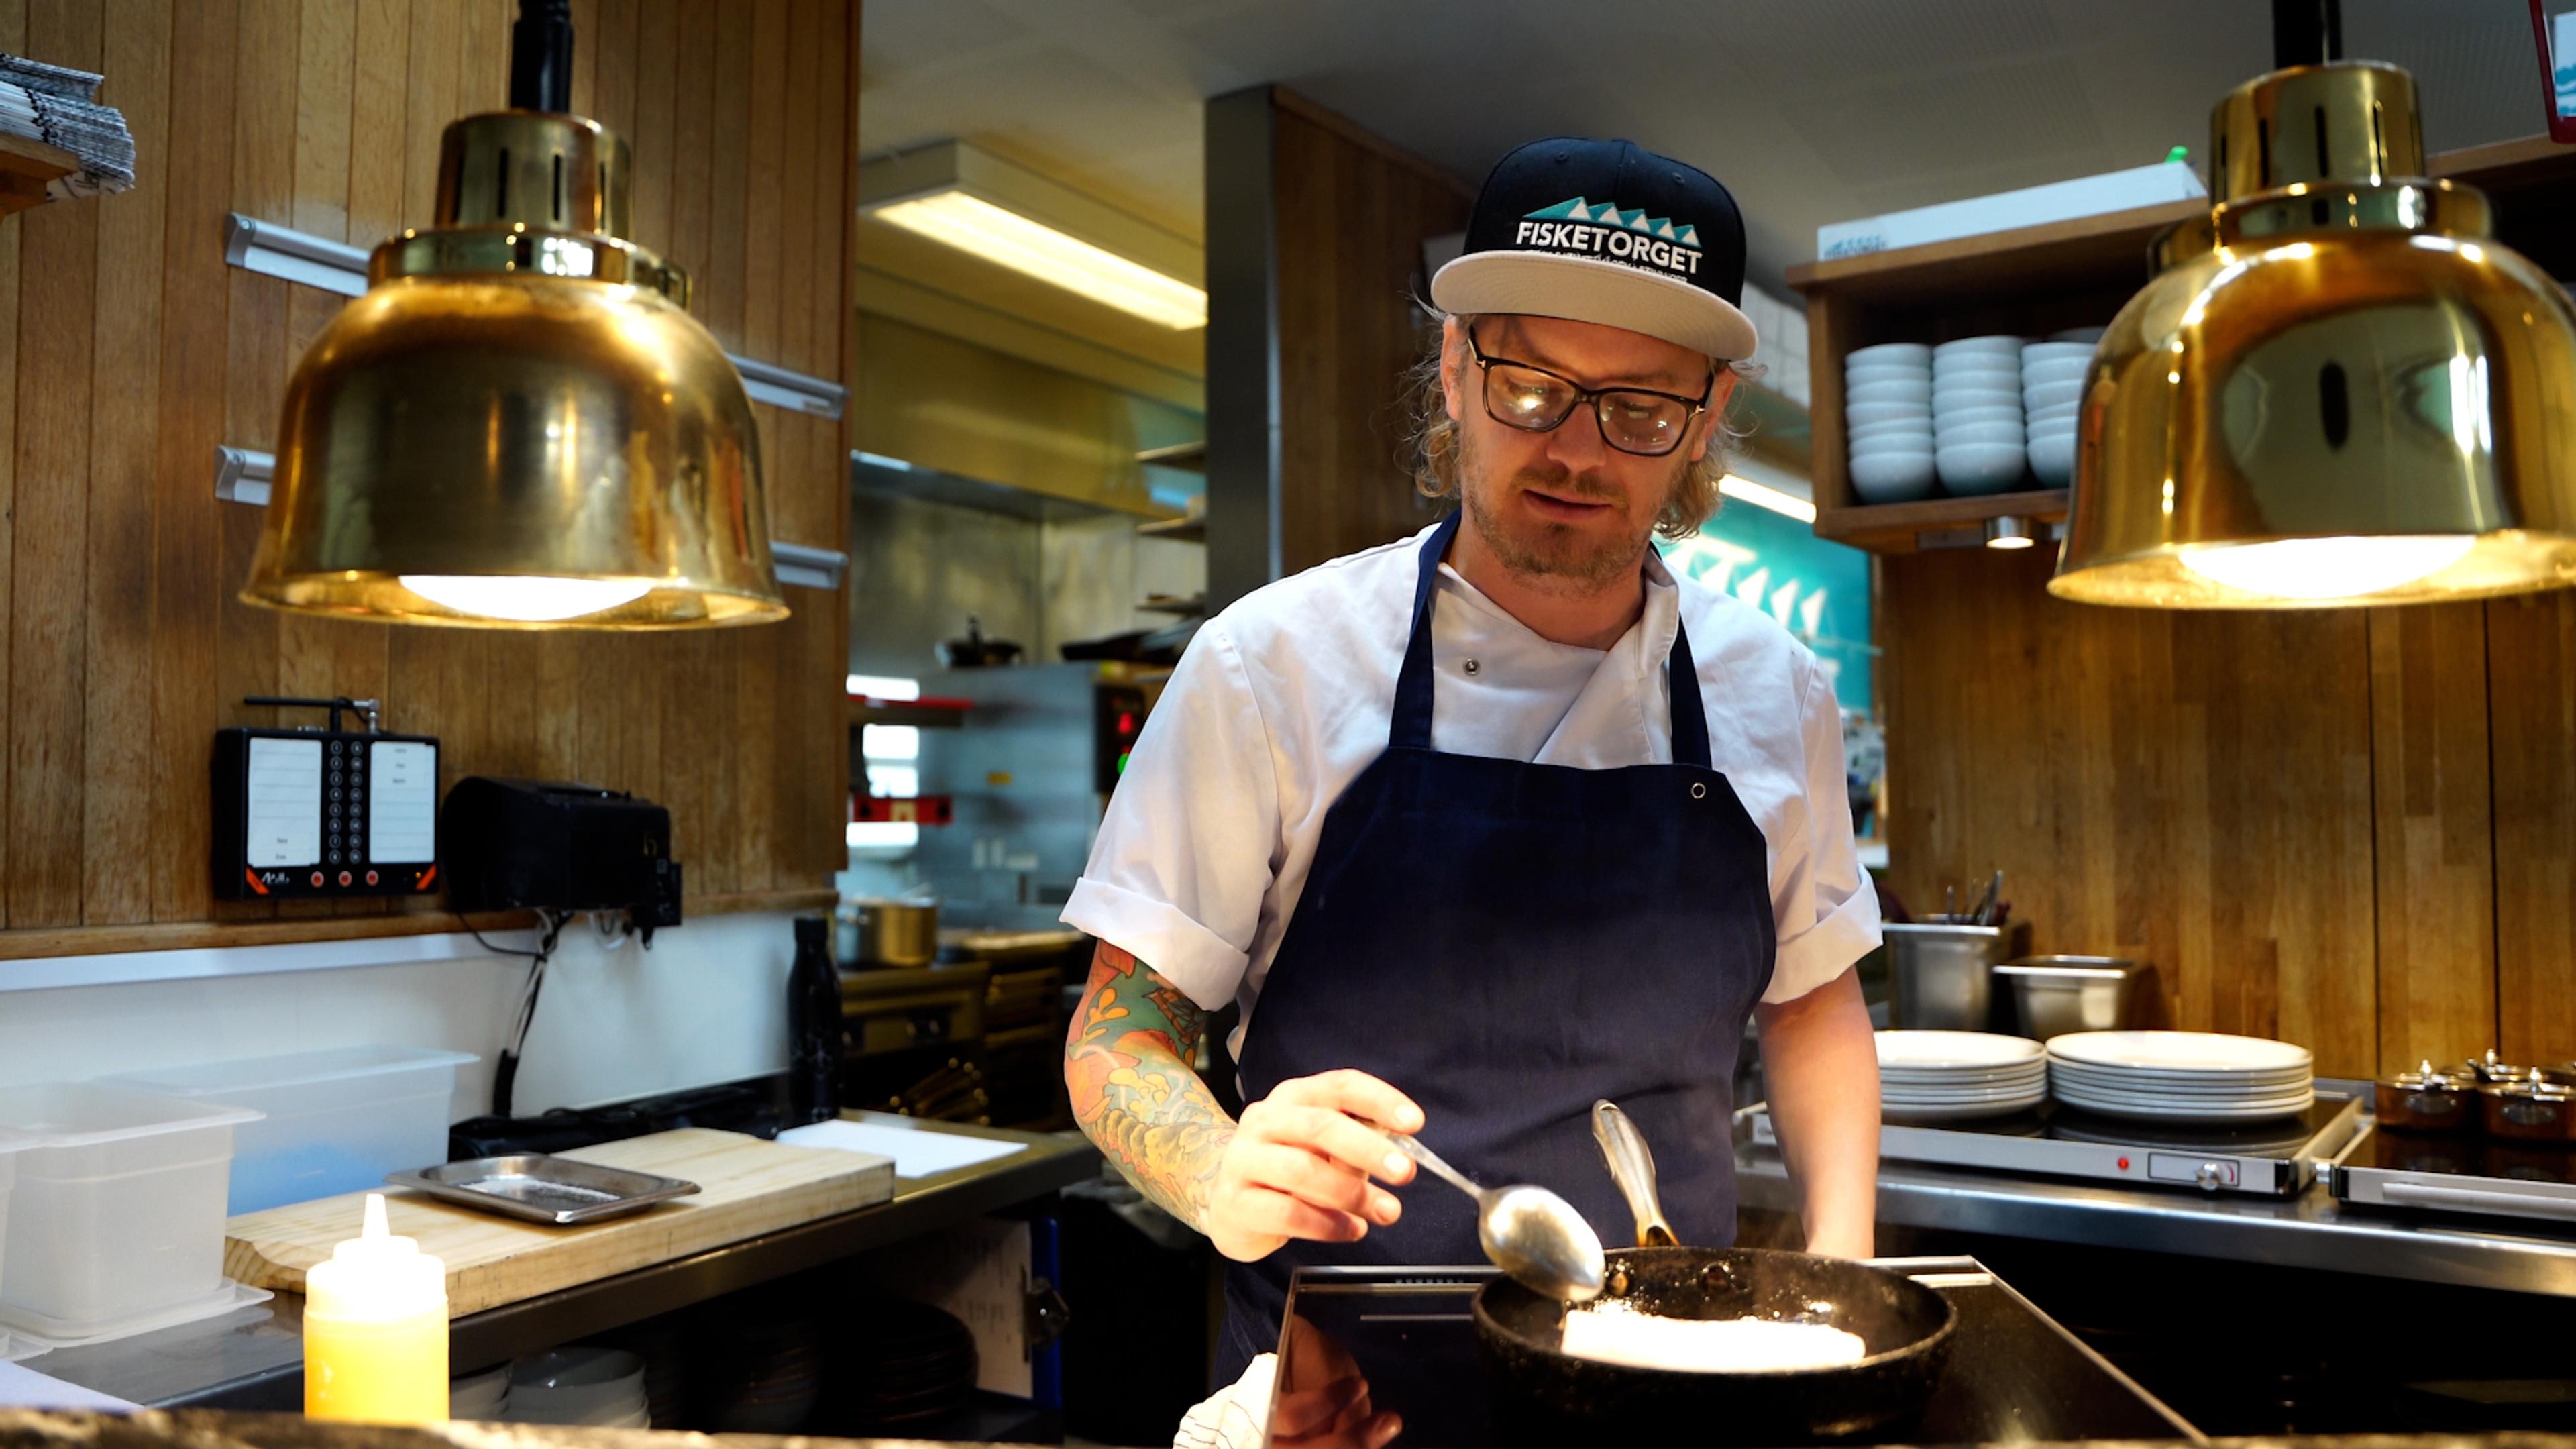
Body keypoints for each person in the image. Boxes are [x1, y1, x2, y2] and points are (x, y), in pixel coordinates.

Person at [1061, 136, 1883, 1393]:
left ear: (1708, 419)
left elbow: (1814, 1004)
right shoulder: (1270, 666)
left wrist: (1840, 1279)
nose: (1579, 451)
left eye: (1641, 407)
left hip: (1678, 1372)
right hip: (1337, 1393)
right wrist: (1216, 1170)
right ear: (1453, 369)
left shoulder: (1776, 692)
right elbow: (1121, 1031)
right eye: (1532, 387)